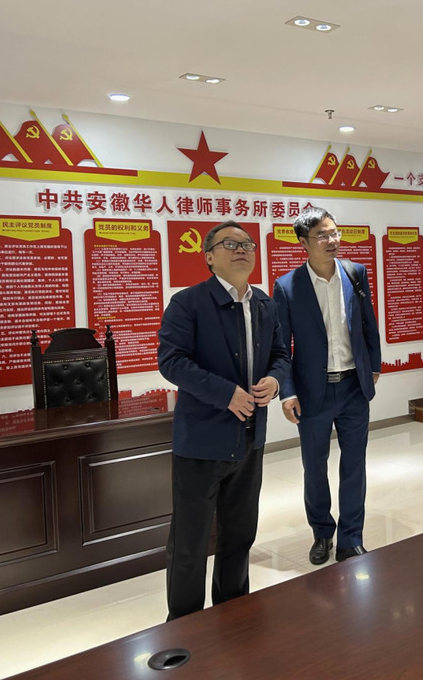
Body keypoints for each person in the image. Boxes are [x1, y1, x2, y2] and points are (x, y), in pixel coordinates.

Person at [157, 221, 290, 620]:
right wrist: (224, 393)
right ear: (209, 257)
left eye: (248, 243)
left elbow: (281, 355)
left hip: (250, 439)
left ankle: (232, 615)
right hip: (201, 441)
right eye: (230, 244)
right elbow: (172, 361)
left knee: (240, 535)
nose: (242, 249)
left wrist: (275, 380)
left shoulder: (264, 304)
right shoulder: (188, 303)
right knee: (190, 542)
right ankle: (184, 624)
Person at [273, 207, 381, 564]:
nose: (332, 240)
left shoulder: (355, 273)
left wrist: (373, 366)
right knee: (314, 466)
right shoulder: (287, 286)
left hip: (353, 387)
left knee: (354, 464)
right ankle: (322, 533)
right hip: (311, 392)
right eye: (322, 235)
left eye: (334, 232)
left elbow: (368, 324)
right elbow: (281, 346)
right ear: (303, 243)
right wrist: (287, 392)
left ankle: (351, 537)